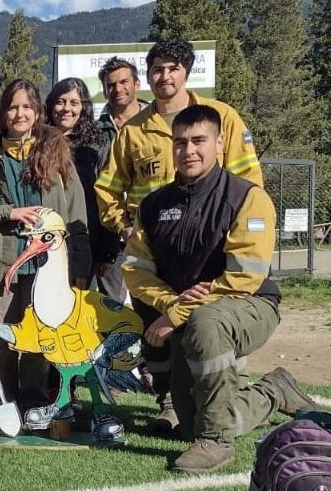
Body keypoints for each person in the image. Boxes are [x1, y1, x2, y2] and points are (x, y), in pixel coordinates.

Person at [122, 105, 316, 472]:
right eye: (180, 142)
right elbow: (135, 268)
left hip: (250, 304)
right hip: (189, 315)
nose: (188, 150)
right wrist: (173, 302)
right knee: (190, 422)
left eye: (199, 141)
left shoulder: (247, 197)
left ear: (219, 143)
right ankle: (273, 391)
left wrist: (178, 313)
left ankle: (216, 443)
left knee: (207, 323)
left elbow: (245, 276)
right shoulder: (153, 204)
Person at [95, 38, 263, 434]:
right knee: (156, 331)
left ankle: (227, 397)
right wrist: (124, 225)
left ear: (187, 72)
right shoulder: (133, 130)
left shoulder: (221, 117)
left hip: (209, 251)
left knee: (210, 322)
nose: (164, 76)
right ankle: (169, 402)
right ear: (147, 77)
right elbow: (106, 188)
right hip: (155, 255)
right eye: (157, 69)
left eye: (173, 68)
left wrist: (237, 228)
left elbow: (249, 181)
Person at [0, 79, 90, 415]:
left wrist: (80, 269)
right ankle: (4, 399)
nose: (19, 113)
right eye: (13, 107)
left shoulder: (58, 155)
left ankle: (34, 399)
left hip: (46, 271)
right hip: (1, 267)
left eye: (27, 107)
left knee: (40, 337)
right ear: (2, 113)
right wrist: (8, 212)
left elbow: (76, 218)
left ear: (38, 112)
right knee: (1, 337)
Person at [45, 78, 122, 294]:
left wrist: (108, 250)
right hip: (46, 240)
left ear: (83, 107)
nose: (66, 109)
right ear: (51, 105)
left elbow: (108, 195)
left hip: (87, 239)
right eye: (61, 102)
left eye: (74, 103)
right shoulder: (37, 142)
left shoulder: (96, 144)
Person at [92, 57, 149, 307]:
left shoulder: (154, 124)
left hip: (150, 231)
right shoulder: (95, 131)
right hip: (111, 234)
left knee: (149, 301)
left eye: (124, 82)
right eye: (111, 84)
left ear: (136, 84)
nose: (118, 89)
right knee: (112, 306)